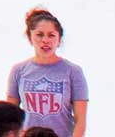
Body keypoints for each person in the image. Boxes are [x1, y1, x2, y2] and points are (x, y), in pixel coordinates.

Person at [6, 8, 89, 137]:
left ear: (59, 39)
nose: (45, 40)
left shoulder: (73, 71)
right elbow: (10, 117)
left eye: (51, 35)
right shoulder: (18, 70)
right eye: (39, 34)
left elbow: (80, 119)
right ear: (30, 37)